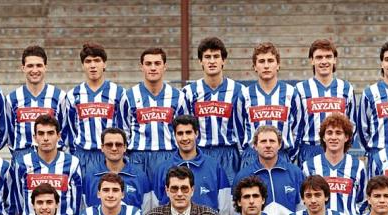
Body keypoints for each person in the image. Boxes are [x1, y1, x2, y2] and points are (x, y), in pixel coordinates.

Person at [182, 37, 245, 183]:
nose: (212, 61)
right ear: (200, 62)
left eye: (216, 56)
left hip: (229, 153)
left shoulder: (238, 90)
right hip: (200, 153)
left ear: (223, 60)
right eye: (207, 57)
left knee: (229, 201)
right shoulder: (189, 92)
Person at [120, 47, 187, 180]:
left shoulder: (178, 96)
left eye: (157, 63)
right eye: (148, 64)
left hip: (168, 155)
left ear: (164, 67)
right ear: (142, 67)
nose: (153, 68)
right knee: (139, 200)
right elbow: (124, 131)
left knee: (166, 199)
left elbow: (183, 130)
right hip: (138, 157)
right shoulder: (128, 96)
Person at [153, 115, 231, 215]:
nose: (185, 138)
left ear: (196, 134)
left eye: (188, 132)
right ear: (174, 136)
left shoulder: (214, 166)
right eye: (180, 133)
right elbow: (155, 206)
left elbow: (225, 206)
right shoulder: (162, 169)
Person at [65, 42, 125, 174]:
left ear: (104, 64)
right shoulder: (73, 95)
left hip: (110, 156)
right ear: (83, 65)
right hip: (83, 156)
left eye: (97, 60)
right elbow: (70, 130)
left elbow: (123, 127)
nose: (92, 65)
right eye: (88, 61)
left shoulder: (118, 93)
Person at [9, 114, 83, 215]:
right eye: (41, 133)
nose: (45, 138)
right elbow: (19, 200)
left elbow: (77, 201)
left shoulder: (72, 162)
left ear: (58, 136)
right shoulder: (22, 163)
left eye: (50, 133)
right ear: (35, 137)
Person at [295, 39, 357, 163]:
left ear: (335, 60)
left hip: (338, 150)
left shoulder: (346, 88)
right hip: (310, 150)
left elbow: (352, 124)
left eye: (328, 57)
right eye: (319, 57)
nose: (324, 61)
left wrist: (343, 147)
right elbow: (296, 127)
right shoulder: (300, 89)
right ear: (312, 61)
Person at [242, 41, 301, 166]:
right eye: (261, 61)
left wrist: (289, 155)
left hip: (283, 157)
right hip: (253, 159)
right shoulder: (245, 94)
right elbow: (238, 130)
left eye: (270, 61)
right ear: (254, 66)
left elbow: (297, 130)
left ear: (278, 65)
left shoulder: (291, 93)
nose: (266, 66)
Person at [6, 45, 67, 161]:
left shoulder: (59, 96)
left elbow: (64, 130)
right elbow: (9, 134)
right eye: (30, 66)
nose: (34, 70)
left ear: (45, 67)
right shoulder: (12, 98)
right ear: (23, 68)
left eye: (39, 65)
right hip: (22, 156)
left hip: (51, 156)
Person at [233, 126, 303, 215]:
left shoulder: (295, 172)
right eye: (263, 141)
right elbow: (236, 211)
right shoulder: (243, 175)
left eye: (272, 141)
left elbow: (303, 207)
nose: (268, 145)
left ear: (279, 145)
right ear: (255, 146)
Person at [302, 113, 366, 215]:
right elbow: (304, 200)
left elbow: (363, 200)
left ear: (346, 137)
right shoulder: (309, 166)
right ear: (323, 137)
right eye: (329, 133)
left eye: (338, 133)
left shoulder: (358, 166)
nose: (333, 137)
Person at [82, 127, 154, 211]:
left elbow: (147, 209)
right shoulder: (90, 176)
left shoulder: (140, 176)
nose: (114, 148)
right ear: (102, 147)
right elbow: (84, 209)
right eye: (109, 144)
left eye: (118, 144)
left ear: (125, 147)